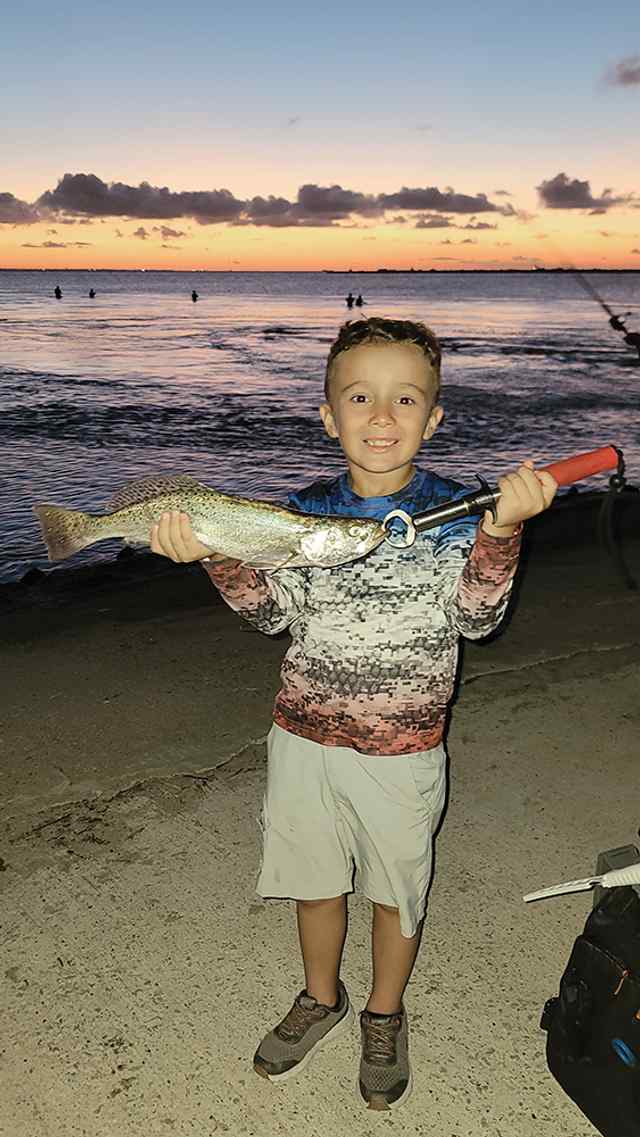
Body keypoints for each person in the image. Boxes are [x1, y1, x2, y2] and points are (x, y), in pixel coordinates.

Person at [149, 316, 557, 1111]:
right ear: (328, 414)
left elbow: (476, 619)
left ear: (433, 418)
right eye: (359, 397)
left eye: (405, 398)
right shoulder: (300, 511)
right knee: (314, 879)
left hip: (404, 748)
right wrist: (222, 554)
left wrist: (502, 531)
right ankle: (320, 995)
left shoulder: (459, 514)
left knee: (395, 888)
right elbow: (272, 615)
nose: (381, 416)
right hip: (303, 733)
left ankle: (383, 1010)